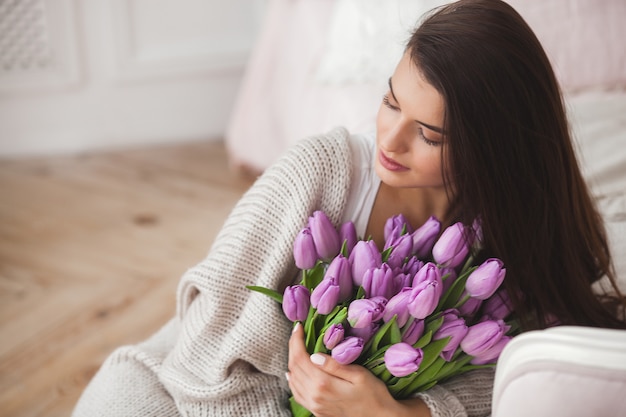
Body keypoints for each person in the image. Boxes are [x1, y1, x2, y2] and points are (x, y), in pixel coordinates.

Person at [72, 1, 626, 416]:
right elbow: (202, 347)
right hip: (185, 388)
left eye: (429, 134)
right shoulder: (320, 173)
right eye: (390, 101)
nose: (392, 137)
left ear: (493, 150)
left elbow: (521, 364)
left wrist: (405, 412)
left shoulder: (513, 223)